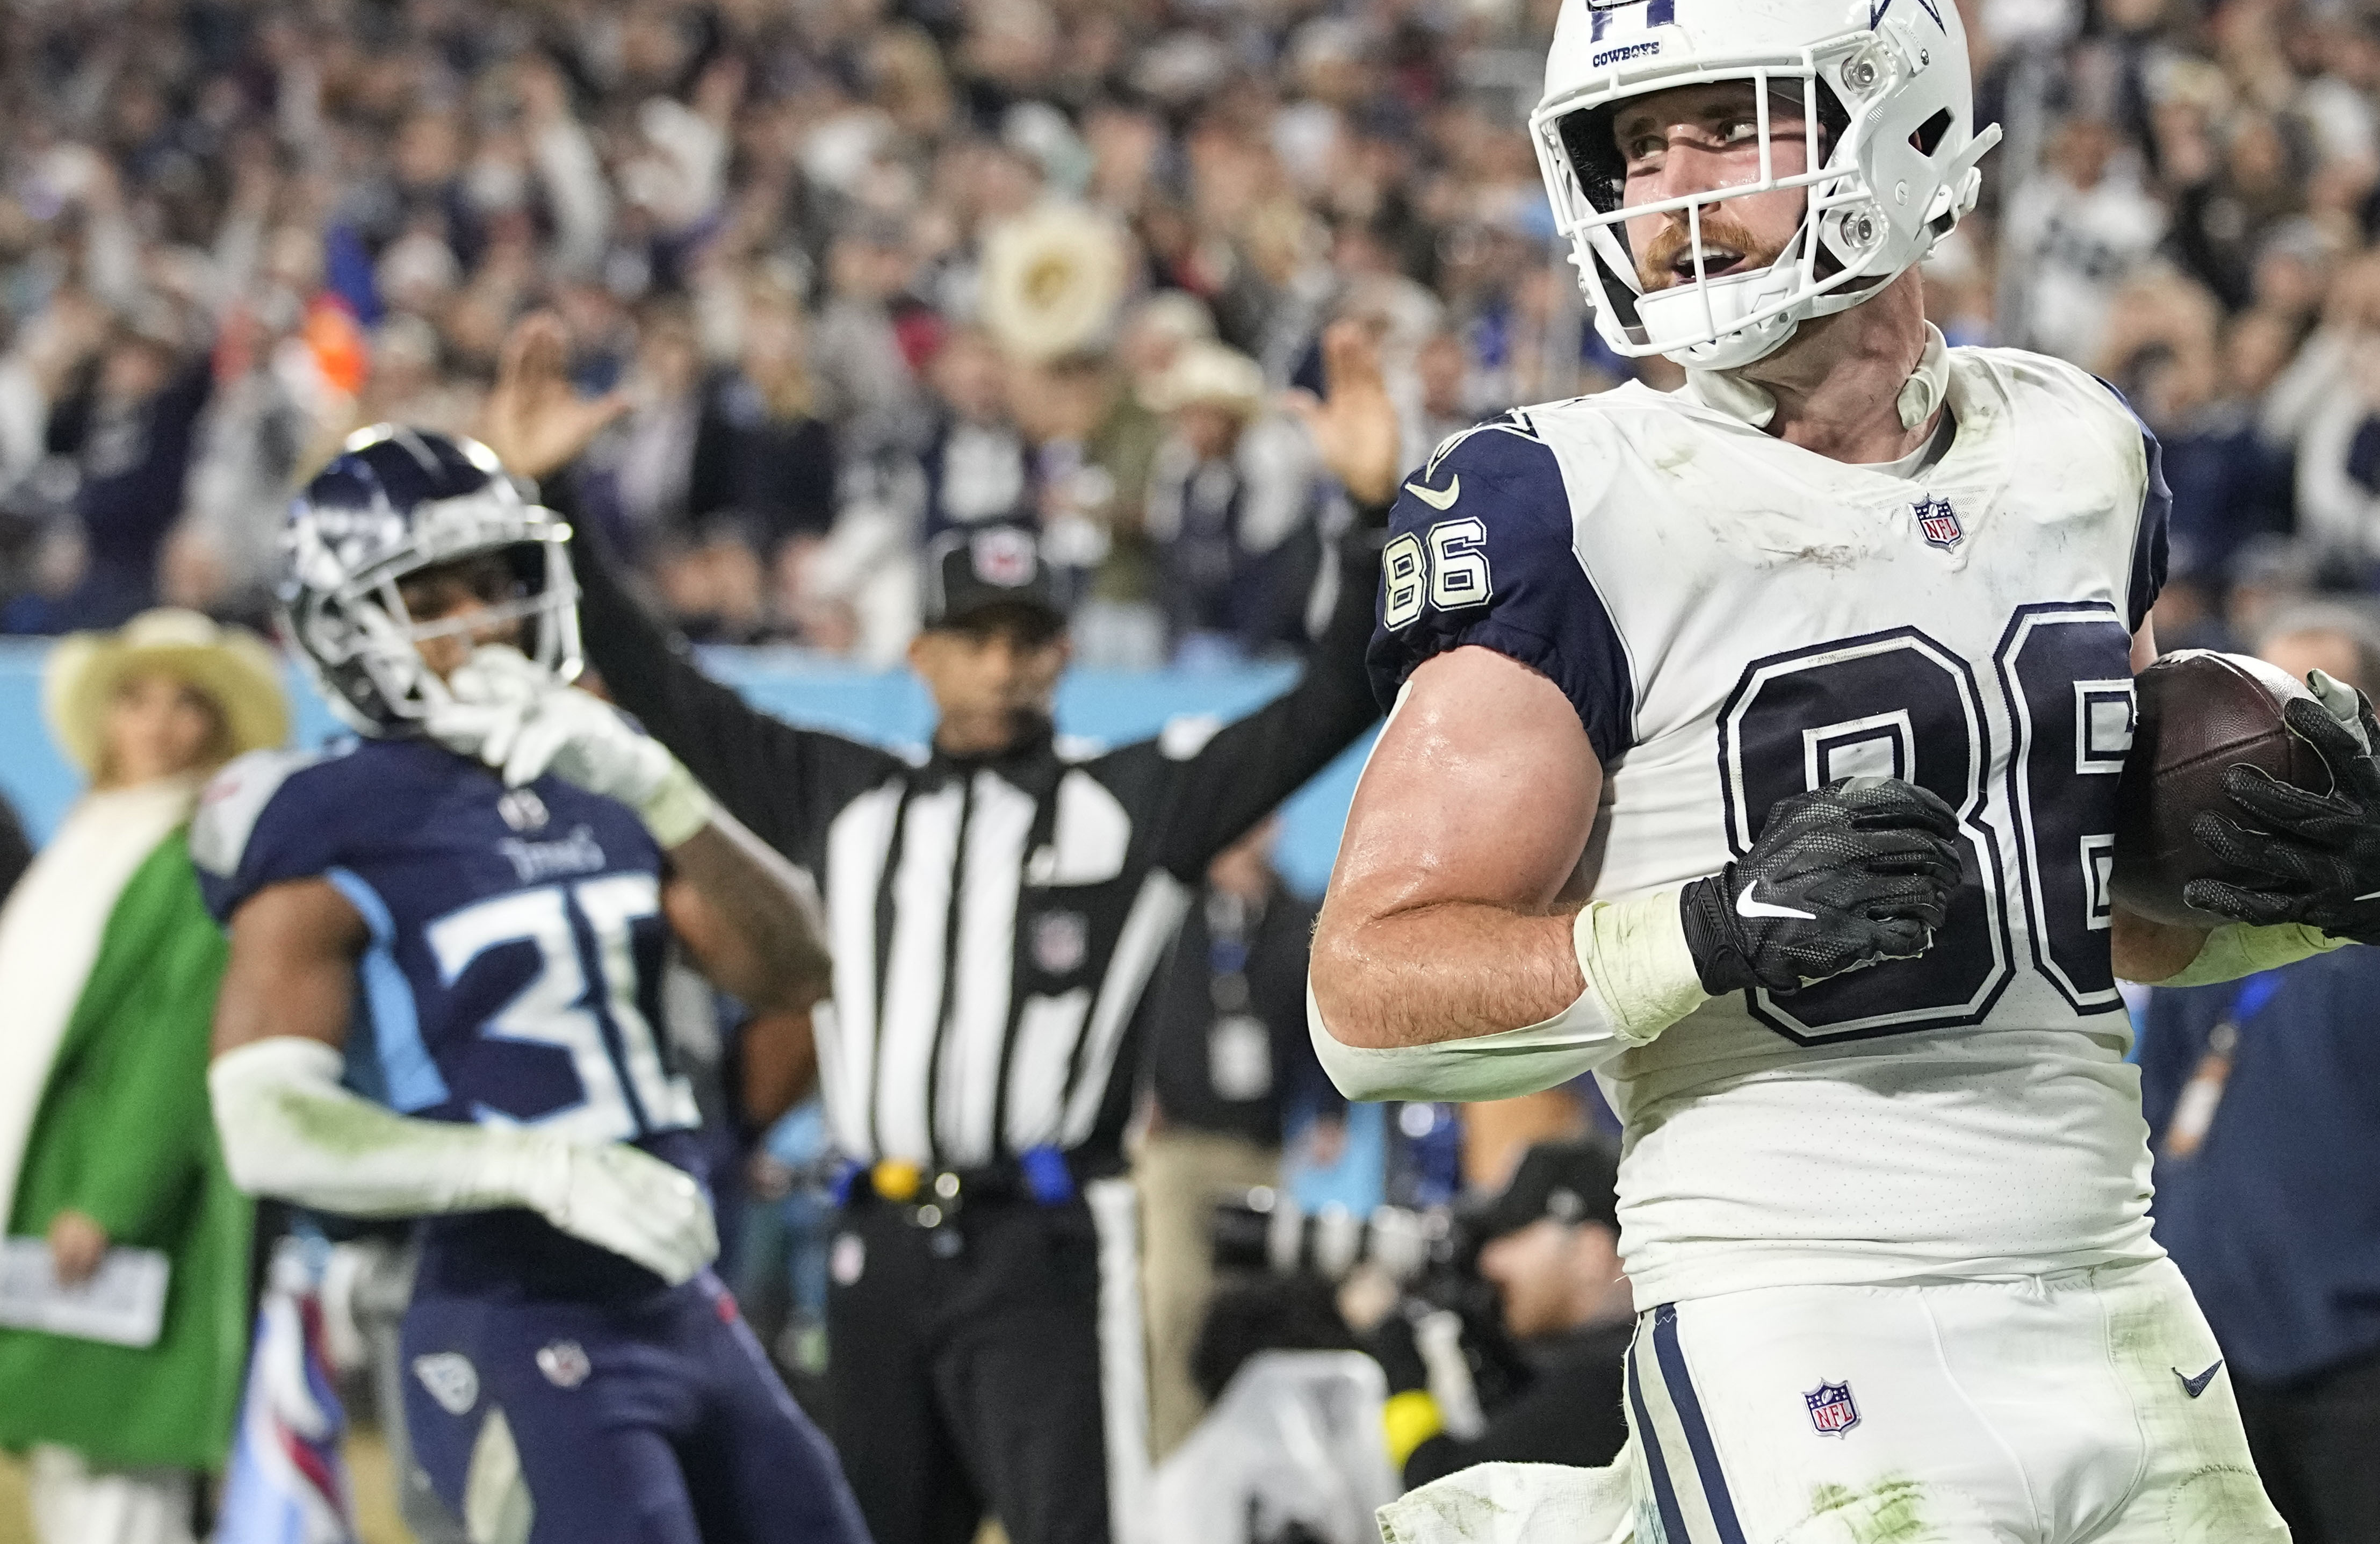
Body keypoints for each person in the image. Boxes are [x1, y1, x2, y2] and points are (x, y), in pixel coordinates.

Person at [1308, 0, 2380, 1544]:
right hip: (1791, 1308)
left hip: (2109, 1288)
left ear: (1894, 113)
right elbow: (1364, 992)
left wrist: (2316, 901)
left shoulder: (2078, 453)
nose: (1669, 195)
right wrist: (1704, 928)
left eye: (1721, 127)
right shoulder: (1564, 501)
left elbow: (2077, 914)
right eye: (1633, 149)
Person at [479, 311, 1400, 1544]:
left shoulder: (1134, 798)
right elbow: (660, 685)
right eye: (976, 639)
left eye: (1028, 639)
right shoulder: (842, 796)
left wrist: (1366, 512)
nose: (1003, 665)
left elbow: (1333, 696)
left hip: (1047, 1246)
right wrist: (553, 502)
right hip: (876, 1244)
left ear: (1064, 652)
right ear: (920, 654)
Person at [197, 428, 869, 1544]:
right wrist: (530, 1164)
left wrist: (660, 788)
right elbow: (263, 1122)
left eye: (499, 582)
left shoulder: (595, 774)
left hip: (683, 1295)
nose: (485, 620)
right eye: (433, 591)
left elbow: (798, 965)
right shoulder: (323, 816)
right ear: (341, 626)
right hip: (504, 1300)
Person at [2140, 608, 2380, 1544]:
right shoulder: (2201, 906)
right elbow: (2155, 1104)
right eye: (2260, 698)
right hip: (2216, 1364)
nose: (2272, 726)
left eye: (2309, 702)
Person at [0, 609, 288, 1544]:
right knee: (73, 1466)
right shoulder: (93, 839)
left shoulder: (192, 855)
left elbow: (179, 1044)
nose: (158, 726)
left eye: (185, 704)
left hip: (108, 1210)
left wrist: (112, 1200)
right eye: (136, 700)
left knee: (118, 1483)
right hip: (51, 1191)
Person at [1135, 814, 1339, 1456]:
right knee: (1171, 1303)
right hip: (1177, 1147)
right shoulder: (1170, 911)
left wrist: (1332, 1109)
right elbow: (1130, 1004)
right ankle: (1174, 1460)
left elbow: (1324, 1010)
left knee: (1255, 1310)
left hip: (1259, 1148)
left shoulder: (1299, 914)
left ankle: (1248, 1461)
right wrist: (1134, 1092)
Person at [1396, 1141, 1634, 1491]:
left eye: (1511, 1233)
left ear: (1591, 1252)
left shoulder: (1612, 1386)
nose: (1490, 1261)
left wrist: (1400, 1368)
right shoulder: (1624, 1360)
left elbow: (1445, 1501)